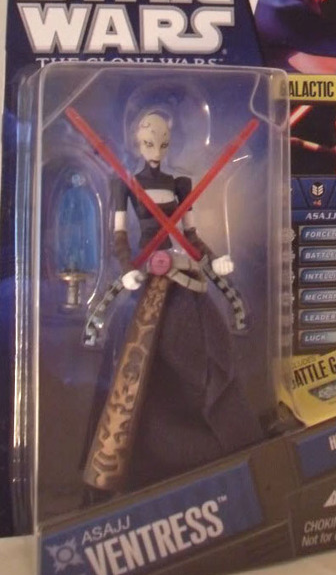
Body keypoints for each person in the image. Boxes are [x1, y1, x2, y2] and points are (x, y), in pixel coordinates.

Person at [85, 112, 263, 492]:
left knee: (208, 351)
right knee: (137, 370)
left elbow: (191, 236)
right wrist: (127, 269)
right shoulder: (126, 184)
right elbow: (120, 238)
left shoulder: (180, 184)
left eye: (162, 144)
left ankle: (229, 447)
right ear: (138, 143)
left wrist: (214, 260)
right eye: (149, 144)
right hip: (146, 277)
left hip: (181, 276)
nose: (155, 151)